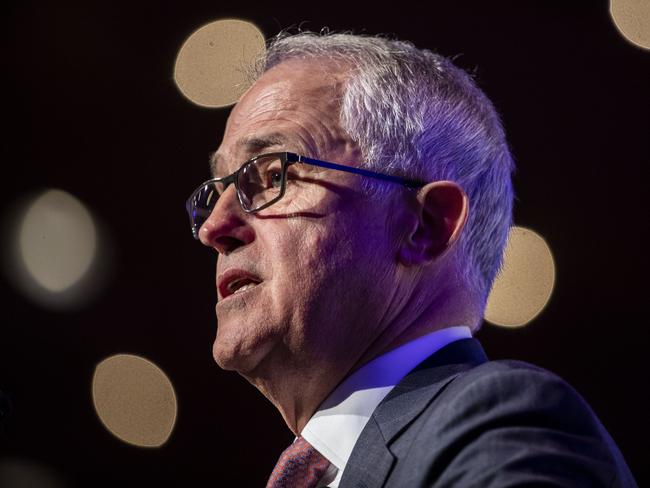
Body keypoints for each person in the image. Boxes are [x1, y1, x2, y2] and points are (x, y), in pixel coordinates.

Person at [185, 32, 637, 487]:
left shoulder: (501, 421)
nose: (213, 228)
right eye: (217, 191)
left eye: (272, 175)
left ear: (425, 226)